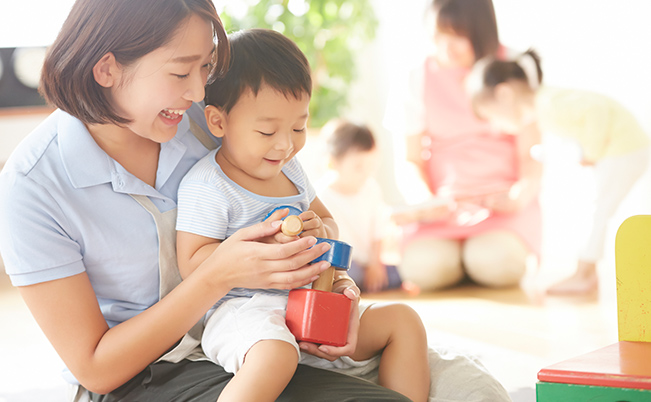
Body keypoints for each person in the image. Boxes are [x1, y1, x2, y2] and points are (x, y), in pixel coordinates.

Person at [0, 1, 423, 400]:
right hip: (145, 372)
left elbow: (314, 219)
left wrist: (338, 287)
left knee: (465, 383)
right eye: (181, 72)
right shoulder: (33, 186)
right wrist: (218, 274)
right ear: (107, 68)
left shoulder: (208, 118)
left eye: (205, 67)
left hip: (266, 328)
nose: (200, 90)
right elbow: (96, 367)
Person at [175, 29, 430, 402]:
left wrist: (319, 227)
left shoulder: (291, 171)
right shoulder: (208, 185)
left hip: (311, 299)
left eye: (298, 126)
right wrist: (258, 249)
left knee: (403, 321)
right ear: (218, 122)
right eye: (266, 131)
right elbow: (192, 264)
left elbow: (329, 223)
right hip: (246, 311)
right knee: (275, 355)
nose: (285, 144)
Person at [384, 0, 542, 292]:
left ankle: (472, 258)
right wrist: (426, 202)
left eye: (457, 34)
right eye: (438, 35)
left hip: (503, 207)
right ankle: (461, 259)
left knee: (496, 263)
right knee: (425, 269)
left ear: (482, 31)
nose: (446, 46)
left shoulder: (516, 67)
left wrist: (519, 197)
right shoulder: (415, 78)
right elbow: (410, 160)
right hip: (443, 206)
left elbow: (532, 155)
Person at [466, 49, 650, 295]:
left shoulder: (548, 105)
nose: (496, 127)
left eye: (492, 116)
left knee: (598, 210)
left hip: (625, 149)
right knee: (596, 210)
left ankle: (584, 274)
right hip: (622, 150)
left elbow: (596, 110)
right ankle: (586, 273)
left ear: (504, 94)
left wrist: (591, 153)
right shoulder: (547, 108)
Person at [317, 119, 404, 293]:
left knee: (402, 271)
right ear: (334, 162)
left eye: (371, 165)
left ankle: (367, 281)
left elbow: (377, 231)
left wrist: (375, 264)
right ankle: (355, 284)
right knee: (348, 273)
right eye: (358, 167)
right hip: (342, 264)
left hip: (368, 260)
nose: (366, 173)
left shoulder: (371, 188)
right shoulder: (322, 195)